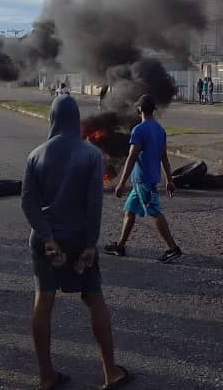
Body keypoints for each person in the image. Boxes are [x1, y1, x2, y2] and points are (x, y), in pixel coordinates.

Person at [21, 95, 132, 390]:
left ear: (52, 119)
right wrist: (90, 244)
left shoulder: (36, 154)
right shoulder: (91, 154)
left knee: (43, 301)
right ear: (76, 119)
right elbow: (94, 203)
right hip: (79, 237)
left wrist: (48, 239)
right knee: (94, 299)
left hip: (46, 240)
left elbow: (28, 203)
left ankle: (46, 376)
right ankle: (111, 371)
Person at [105, 95, 182, 263]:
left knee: (154, 212)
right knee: (130, 211)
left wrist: (121, 182)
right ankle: (120, 246)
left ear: (139, 109)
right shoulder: (159, 130)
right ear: (153, 110)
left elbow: (132, 157)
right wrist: (169, 180)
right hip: (147, 179)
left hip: (143, 180)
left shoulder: (139, 130)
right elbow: (164, 157)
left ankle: (172, 248)